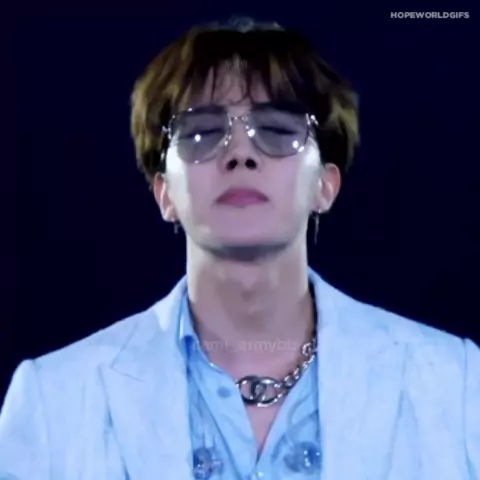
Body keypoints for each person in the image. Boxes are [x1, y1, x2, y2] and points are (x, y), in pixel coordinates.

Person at [1, 17, 479, 480]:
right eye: (202, 133)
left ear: (325, 185)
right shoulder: (51, 400)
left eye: (277, 130)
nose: (240, 153)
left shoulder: (456, 384)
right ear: (164, 193)